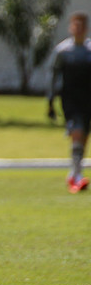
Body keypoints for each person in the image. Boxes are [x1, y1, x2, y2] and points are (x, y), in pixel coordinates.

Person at [47, 11, 91, 193]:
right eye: (75, 26)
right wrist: (50, 100)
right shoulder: (63, 51)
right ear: (71, 28)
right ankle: (77, 175)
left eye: (81, 26)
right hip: (70, 100)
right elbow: (53, 75)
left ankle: (73, 172)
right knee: (77, 133)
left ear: (86, 29)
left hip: (88, 100)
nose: (78, 29)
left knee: (83, 137)